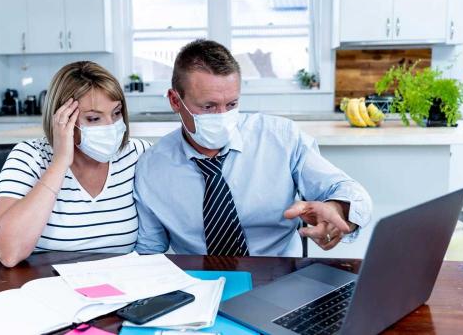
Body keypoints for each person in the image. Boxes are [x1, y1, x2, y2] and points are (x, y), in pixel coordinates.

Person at [134, 40, 372, 256]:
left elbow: (350, 191)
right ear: (175, 101)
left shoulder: (281, 138)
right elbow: (150, 254)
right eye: (208, 106)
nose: (222, 116)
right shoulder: (151, 168)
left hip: (280, 276)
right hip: (199, 282)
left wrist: (338, 210)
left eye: (232, 104)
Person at [0, 61, 150, 267]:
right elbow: (8, 253)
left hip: (121, 286)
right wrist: (60, 162)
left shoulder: (137, 154)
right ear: (61, 117)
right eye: (93, 118)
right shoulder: (29, 156)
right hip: (47, 286)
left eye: (116, 113)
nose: (112, 127)